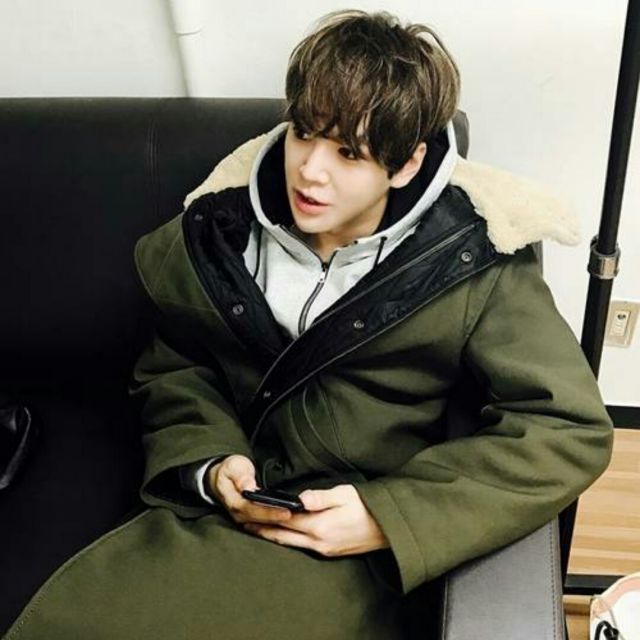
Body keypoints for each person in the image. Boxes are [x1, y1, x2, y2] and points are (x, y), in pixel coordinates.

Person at [4, 9, 613, 640]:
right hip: (216, 514)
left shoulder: (474, 261)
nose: (311, 171)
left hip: (352, 538)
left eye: (348, 152)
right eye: (304, 132)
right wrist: (210, 462)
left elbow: (565, 427)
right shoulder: (220, 233)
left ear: (406, 165)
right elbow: (178, 366)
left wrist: (387, 517)